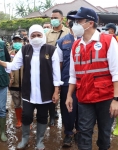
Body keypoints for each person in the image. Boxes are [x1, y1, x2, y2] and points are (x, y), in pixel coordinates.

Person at [0, 24, 61, 150]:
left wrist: (56, 91)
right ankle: (25, 139)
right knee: (26, 115)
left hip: (45, 92)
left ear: (43, 36)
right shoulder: (25, 50)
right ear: (29, 37)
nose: (36, 38)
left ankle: (39, 141)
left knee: (42, 116)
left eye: (39, 35)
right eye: (33, 35)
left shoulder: (51, 50)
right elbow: (14, 65)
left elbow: (56, 73)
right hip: (29, 92)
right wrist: (0, 63)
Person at [66, 7, 118, 150]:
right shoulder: (76, 45)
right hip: (84, 98)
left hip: (105, 98)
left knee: (104, 135)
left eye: (78, 21)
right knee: (84, 134)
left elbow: (116, 72)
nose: (75, 24)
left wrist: (116, 99)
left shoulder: (108, 41)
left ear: (90, 23)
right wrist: (69, 95)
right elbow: (72, 74)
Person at [57, 10, 78, 147]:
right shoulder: (61, 42)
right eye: (72, 20)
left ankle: (82, 131)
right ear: (67, 22)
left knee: (84, 108)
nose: (75, 22)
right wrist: (57, 85)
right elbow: (58, 65)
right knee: (68, 108)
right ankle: (69, 132)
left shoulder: (88, 41)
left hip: (85, 82)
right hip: (66, 80)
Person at [46, 9, 69, 126]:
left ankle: (66, 116)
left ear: (62, 19)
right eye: (52, 18)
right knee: (52, 92)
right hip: (51, 69)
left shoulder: (68, 33)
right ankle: (52, 114)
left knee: (63, 91)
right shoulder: (47, 34)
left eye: (56, 18)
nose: (53, 20)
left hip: (64, 68)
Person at [9, 34, 23, 128]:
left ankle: (27, 121)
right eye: (15, 41)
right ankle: (19, 120)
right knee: (17, 103)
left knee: (26, 104)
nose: (17, 42)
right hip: (14, 83)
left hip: (25, 83)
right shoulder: (10, 54)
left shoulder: (27, 52)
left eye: (19, 40)